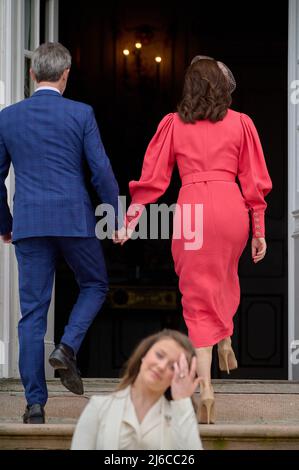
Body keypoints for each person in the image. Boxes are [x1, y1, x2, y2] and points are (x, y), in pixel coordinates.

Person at [113, 55, 272, 424]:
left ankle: (206, 391)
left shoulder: (173, 124)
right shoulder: (242, 124)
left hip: (192, 209)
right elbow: (254, 182)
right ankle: (225, 339)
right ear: (221, 86)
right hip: (231, 208)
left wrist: (129, 222)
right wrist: (259, 230)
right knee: (223, 276)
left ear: (190, 87)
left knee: (197, 297)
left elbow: (153, 181)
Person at [0, 42, 120, 424]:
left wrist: (6, 224)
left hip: (30, 224)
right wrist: (115, 217)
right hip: (74, 220)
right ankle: (66, 347)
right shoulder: (81, 113)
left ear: (32, 74)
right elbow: (100, 170)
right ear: (65, 76)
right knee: (96, 283)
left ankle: (35, 405)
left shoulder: (8, 117)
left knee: (32, 314)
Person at [71, 329, 203, 450]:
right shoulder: (99, 407)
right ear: (144, 354)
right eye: (159, 355)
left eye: (173, 367)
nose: (162, 366)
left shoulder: (179, 418)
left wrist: (182, 401)